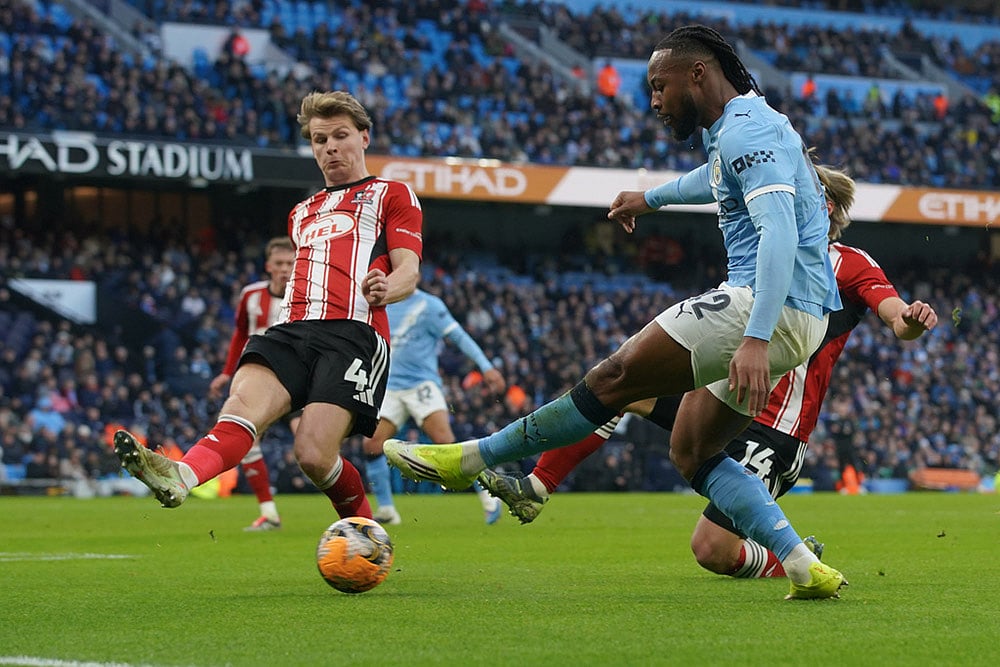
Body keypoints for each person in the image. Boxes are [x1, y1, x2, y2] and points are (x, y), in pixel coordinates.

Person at [386, 25, 847, 600]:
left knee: (614, 378)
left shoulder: (746, 131)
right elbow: (712, 180)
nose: (653, 101)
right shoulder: (746, 126)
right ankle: (803, 565)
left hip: (765, 305)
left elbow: (777, 232)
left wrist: (755, 337)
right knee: (693, 452)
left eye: (659, 86)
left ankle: (474, 457)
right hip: (802, 318)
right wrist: (649, 198)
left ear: (697, 74)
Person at [479, 163, 939, 580]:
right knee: (624, 388)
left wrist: (909, 321)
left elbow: (895, 315)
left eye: (805, 188)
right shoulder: (765, 247)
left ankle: (788, 558)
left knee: (712, 549)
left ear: (826, 205)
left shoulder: (850, 263)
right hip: (721, 393)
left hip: (775, 426)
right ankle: (537, 487)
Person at [114, 90, 423, 524]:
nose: (330, 147)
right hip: (290, 329)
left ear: (364, 137)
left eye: (340, 135)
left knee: (313, 455)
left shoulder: (392, 194)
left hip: (353, 333)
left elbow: (409, 270)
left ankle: (367, 530)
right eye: (320, 140)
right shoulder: (301, 213)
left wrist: (385, 289)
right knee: (239, 410)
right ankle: (181, 475)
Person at [363, 288, 507, 526]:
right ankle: (387, 509)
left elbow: (459, 336)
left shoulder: (429, 305)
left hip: (421, 386)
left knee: (446, 444)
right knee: (372, 444)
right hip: (389, 386)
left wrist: (486, 366)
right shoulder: (380, 303)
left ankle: (488, 493)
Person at [207, 236, 296, 531]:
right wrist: (226, 372)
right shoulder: (251, 295)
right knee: (248, 441)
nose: (285, 269)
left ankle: (355, 511)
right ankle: (269, 514)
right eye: (280, 263)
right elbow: (240, 335)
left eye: (290, 263)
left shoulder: (309, 295)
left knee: (313, 447)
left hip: (298, 381)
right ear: (268, 266)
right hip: (259, 380)